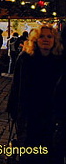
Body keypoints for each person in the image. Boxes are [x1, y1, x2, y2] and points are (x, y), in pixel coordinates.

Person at [7, 25, 65, 164]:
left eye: (49, 36)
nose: (46, 39)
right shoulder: (26, 58)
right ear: (35, 40)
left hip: (52, 113)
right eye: (42, 36)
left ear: (55, 39)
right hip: (30, 112)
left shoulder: (60, 59)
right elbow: (17, 85)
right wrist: (14, 110)